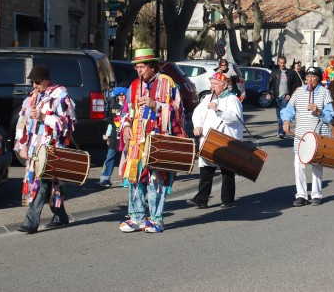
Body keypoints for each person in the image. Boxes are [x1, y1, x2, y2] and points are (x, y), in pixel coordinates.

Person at [119, 48, 185, 233]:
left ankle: (156, 219)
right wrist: (124, 127)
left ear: (152, 66)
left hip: (157, 141)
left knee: (156, 179)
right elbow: (125, 111)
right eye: (137, 67)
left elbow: (179, 112)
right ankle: (137, 217)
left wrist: (156, 105)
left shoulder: (167, 83)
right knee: (134, 178)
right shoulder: (133, 86)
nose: (138, 71)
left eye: (141, 67)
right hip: (136, 142)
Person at [15, 65, 76, 233]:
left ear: (46, 80)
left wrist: (43, 117)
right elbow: (22, 123)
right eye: (32, 82)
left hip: (53, 147)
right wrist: (22, 145)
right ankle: (60, 216)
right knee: (50, 184)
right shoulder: (31, 98)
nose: (34, 85)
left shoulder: (61, 95)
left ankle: (31, 222)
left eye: (37, 81)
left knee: (42, 182)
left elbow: (68, 124)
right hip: (35, 148)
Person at [281, 66, 334, 207]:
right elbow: (288, 110)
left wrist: (318, 111)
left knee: (317, 164)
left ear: (318, 79)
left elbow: (331, 117)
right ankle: (301, 195)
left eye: (314, 77)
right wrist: (286, 121)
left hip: (319, 134)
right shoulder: (298, 93)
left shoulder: (325, 93)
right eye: (308, 77)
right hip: (301, 134)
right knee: (299, 164)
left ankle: (316, 194)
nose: (310, 80)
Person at [188, 72, 243, 209]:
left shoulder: (232, 99)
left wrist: (218, 110)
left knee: (227, 170)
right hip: (208, 139)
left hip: (226, 139)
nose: (212, 87)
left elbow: (235, 118)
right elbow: (197, 113)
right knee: (206, 169)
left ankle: (227, 200)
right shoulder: (207, 98)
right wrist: (197, 126)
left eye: (215, 84)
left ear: (224, 86)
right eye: (211, 84)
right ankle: (201, 199)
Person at [97, 87, 129, 187]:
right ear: (117, 96)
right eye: (120, 95)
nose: (122, 97)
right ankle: (105, 179)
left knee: (127, 158)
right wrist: (108, 134)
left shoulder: (129, 107)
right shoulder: (113, 107)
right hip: (114, 136)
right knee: (110, 157)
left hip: (126, 136)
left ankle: (127, 179)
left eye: (123, 95)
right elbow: (111, 122)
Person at [266, 55, 292, 139]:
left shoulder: (289, 72)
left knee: (283, 114)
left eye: (284, 63)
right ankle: (281, 131)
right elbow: (269, 83)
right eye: (280, 63)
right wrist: (268, 93)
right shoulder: (275, 72)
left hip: (285, 97)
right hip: (276, 96)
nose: (282, 64)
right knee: (278, 115)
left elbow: (293, 85)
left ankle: (281, 132)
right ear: (278, 63)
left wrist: (289, 94)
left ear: (286, 63)